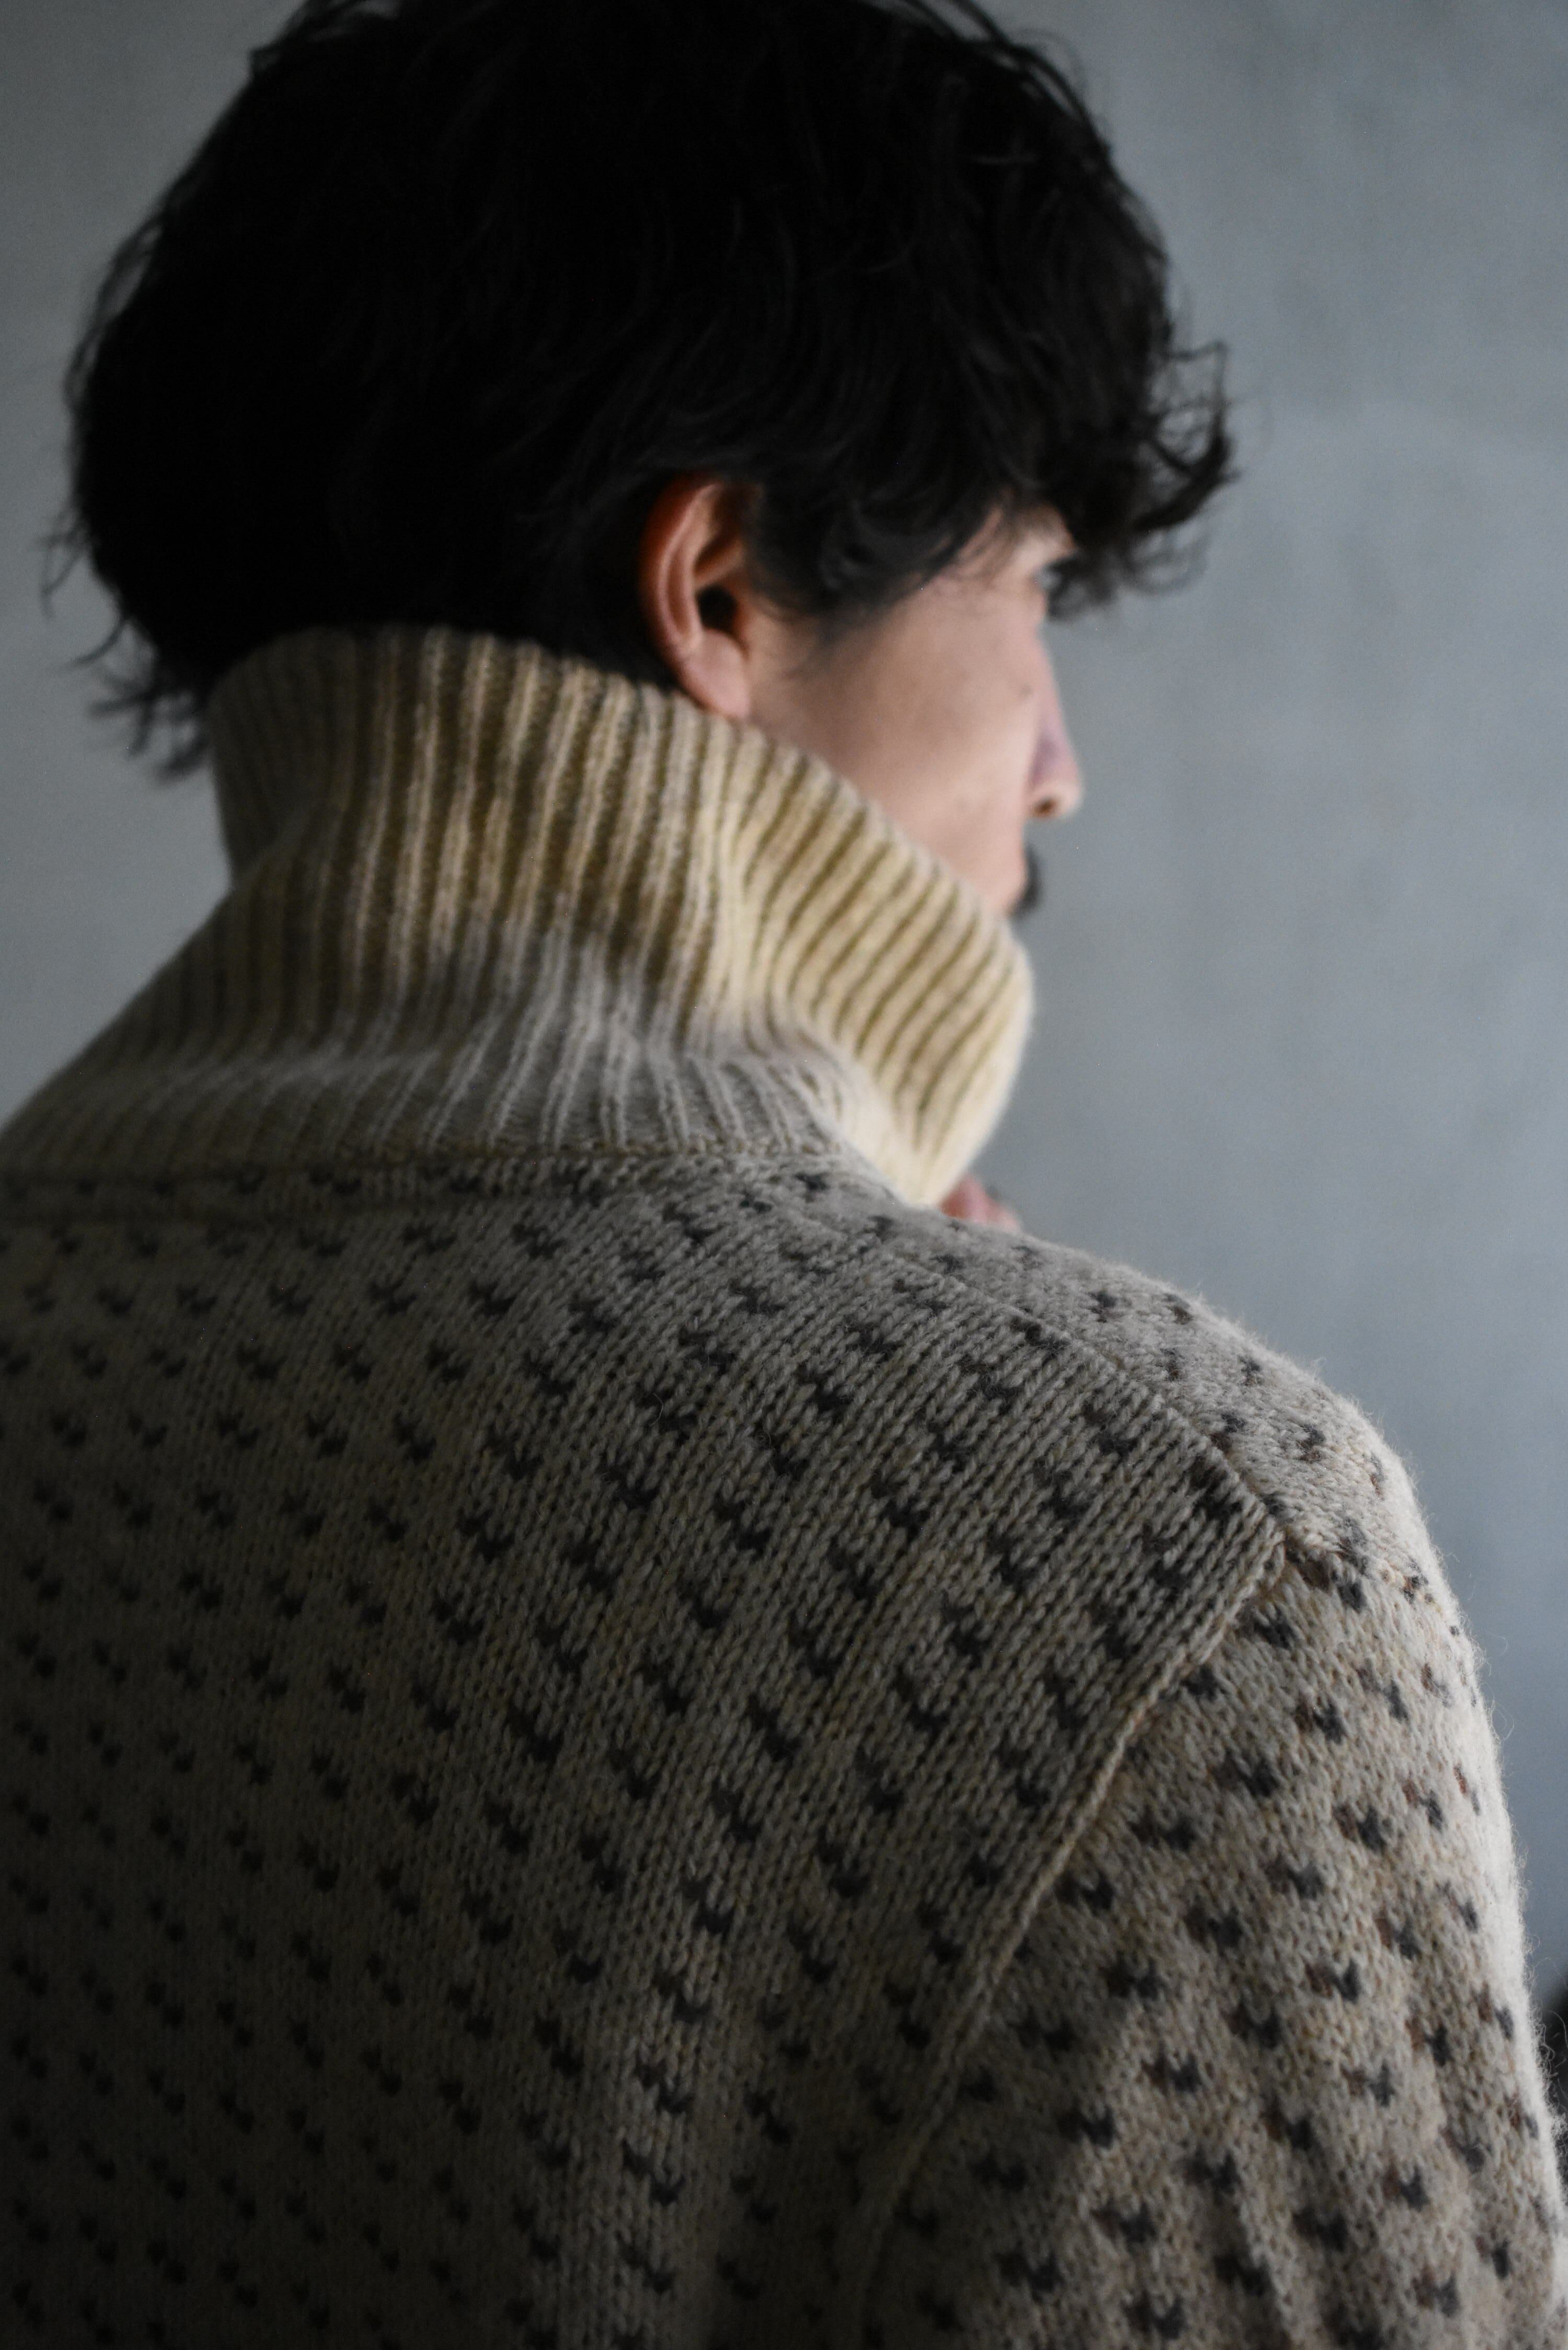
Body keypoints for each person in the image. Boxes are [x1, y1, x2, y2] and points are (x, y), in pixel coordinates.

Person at [3, 0, 1561, 2341]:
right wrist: (980, 1442)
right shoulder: (1181, 1565)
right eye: (1033, 589)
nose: (1061, 768)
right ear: (721, 589)